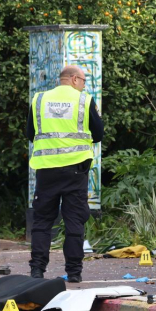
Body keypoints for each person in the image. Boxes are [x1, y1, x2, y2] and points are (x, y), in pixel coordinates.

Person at [26, 65, 103, 283]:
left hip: (46, 169)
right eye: (84, 81)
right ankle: (74, 273)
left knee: (42, 221)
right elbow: (98, 134)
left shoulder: (39, 100)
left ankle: (37, 271)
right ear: (74, 79)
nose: (84, 85)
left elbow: (30, 133)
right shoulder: (84, 101)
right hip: (76, 170)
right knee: (74, 221)